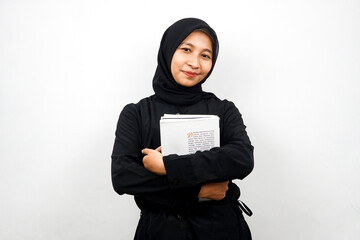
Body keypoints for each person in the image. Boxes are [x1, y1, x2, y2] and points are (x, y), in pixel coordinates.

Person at [111, 18, 254, 240]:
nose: (195, 63)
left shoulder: (224, 110)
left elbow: (241, 158)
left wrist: (168, 166)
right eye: (186, 49)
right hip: (160, 231)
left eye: (205, 55)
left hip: (221, 230)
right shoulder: (136, 113)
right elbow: (124, 176)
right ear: (168, 51)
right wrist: (197, 192)